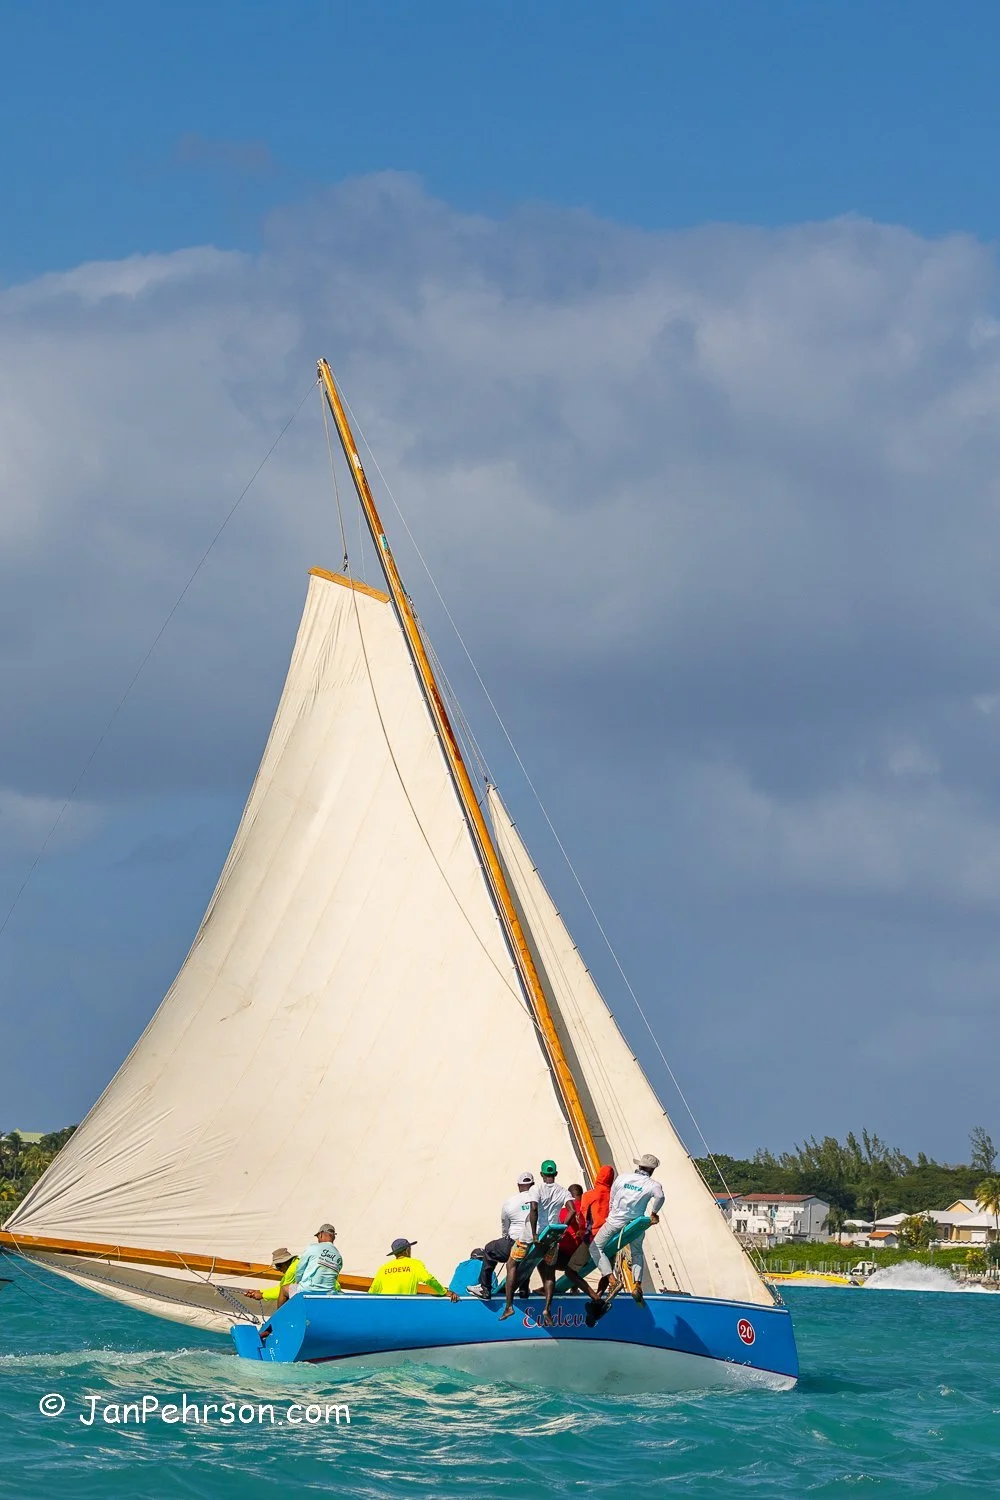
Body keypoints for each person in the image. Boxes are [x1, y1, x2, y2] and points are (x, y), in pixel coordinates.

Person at [591, 1154, 665, 1302]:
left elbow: (612, 1199)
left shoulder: (622, 1178)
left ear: (639, 1166)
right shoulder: (653, 1185)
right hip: (636, 1222)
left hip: (615, 1221)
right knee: (637, 1252)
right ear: (652, 1170)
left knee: (595, 1247)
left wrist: (613, 1215)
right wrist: (654, 1213)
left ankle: (613, 1282)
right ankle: (637, 1285)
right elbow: (660, 1197)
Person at [554, 1185, 603, 1306]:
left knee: (544, 1260)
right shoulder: (590, 1210)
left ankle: (547, 1287)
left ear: (569, 1197)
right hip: (585, 1259)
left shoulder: (563, 1211)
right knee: (578, 1252)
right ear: (582, 1195)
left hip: (565, 1260)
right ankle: (575, 1287)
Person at [275, 1222, 343, 1308]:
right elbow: (334, 1278)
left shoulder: (313, 1248)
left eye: (318, 1236)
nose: (318, 1239)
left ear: (321, 1234)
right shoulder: (339, 1257)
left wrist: (298, 1282)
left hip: (308, 1290)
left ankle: (279, 1318)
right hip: (327, 1293)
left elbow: (300, 1269)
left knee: (284, 1290)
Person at [368, 1238, 459, 1300]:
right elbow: (428, 1279)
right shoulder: (415, 1264)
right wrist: (444, 1292)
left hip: (386, 1308)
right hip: (406, 1306)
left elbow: (372, 1292)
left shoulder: (383, 1268)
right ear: (407, 1250)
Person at [579, 1164, 615, 1238]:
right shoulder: (614, 1196)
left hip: (593, 1234)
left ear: (599, 1176)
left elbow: (583, 1215)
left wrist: (581, 1230)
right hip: (610, 1233)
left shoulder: (588, 1195)